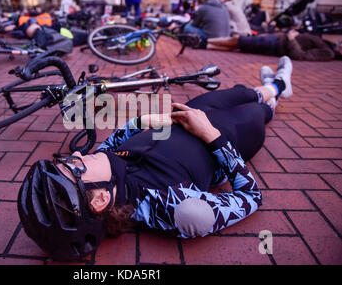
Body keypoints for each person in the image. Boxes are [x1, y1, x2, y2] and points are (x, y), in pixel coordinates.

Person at [18, 56, 295, 261]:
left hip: (192, 112)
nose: (77, 153)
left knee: (243, 92)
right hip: (234, 133)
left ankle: (271, 86)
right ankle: (278, 90)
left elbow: (113, 143)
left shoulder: (107, 173)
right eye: (74, 166)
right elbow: (250, 197)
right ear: (100, 199)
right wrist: (212, 135)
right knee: (259, 110)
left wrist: (142, 121)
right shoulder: (178, 210)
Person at [204, 29, 339, 61]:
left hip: (275, 45)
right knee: (239, 44)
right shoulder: (329, 45)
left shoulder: (328, 53)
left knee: (240, 41)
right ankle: (206, 45)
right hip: (276, 40)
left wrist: (291, 39)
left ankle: (206, 43)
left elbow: (301, 55)